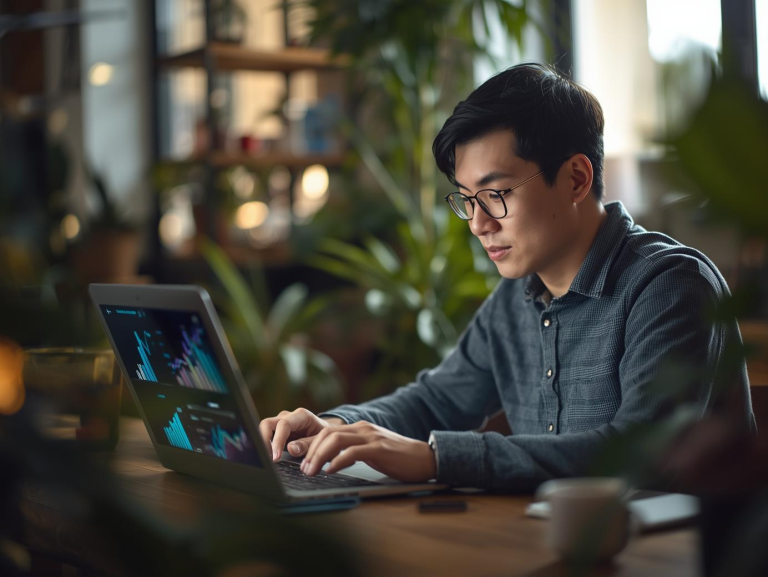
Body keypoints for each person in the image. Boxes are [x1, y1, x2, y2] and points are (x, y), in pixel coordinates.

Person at [258, 63, 755, 491]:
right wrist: (334, 425)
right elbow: (437, 400)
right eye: (467, 199)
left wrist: (435, 458)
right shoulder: (517, 295)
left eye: (496, 194)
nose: (478, 223)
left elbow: (637, 454)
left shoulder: (669, 285)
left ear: (577, 179)